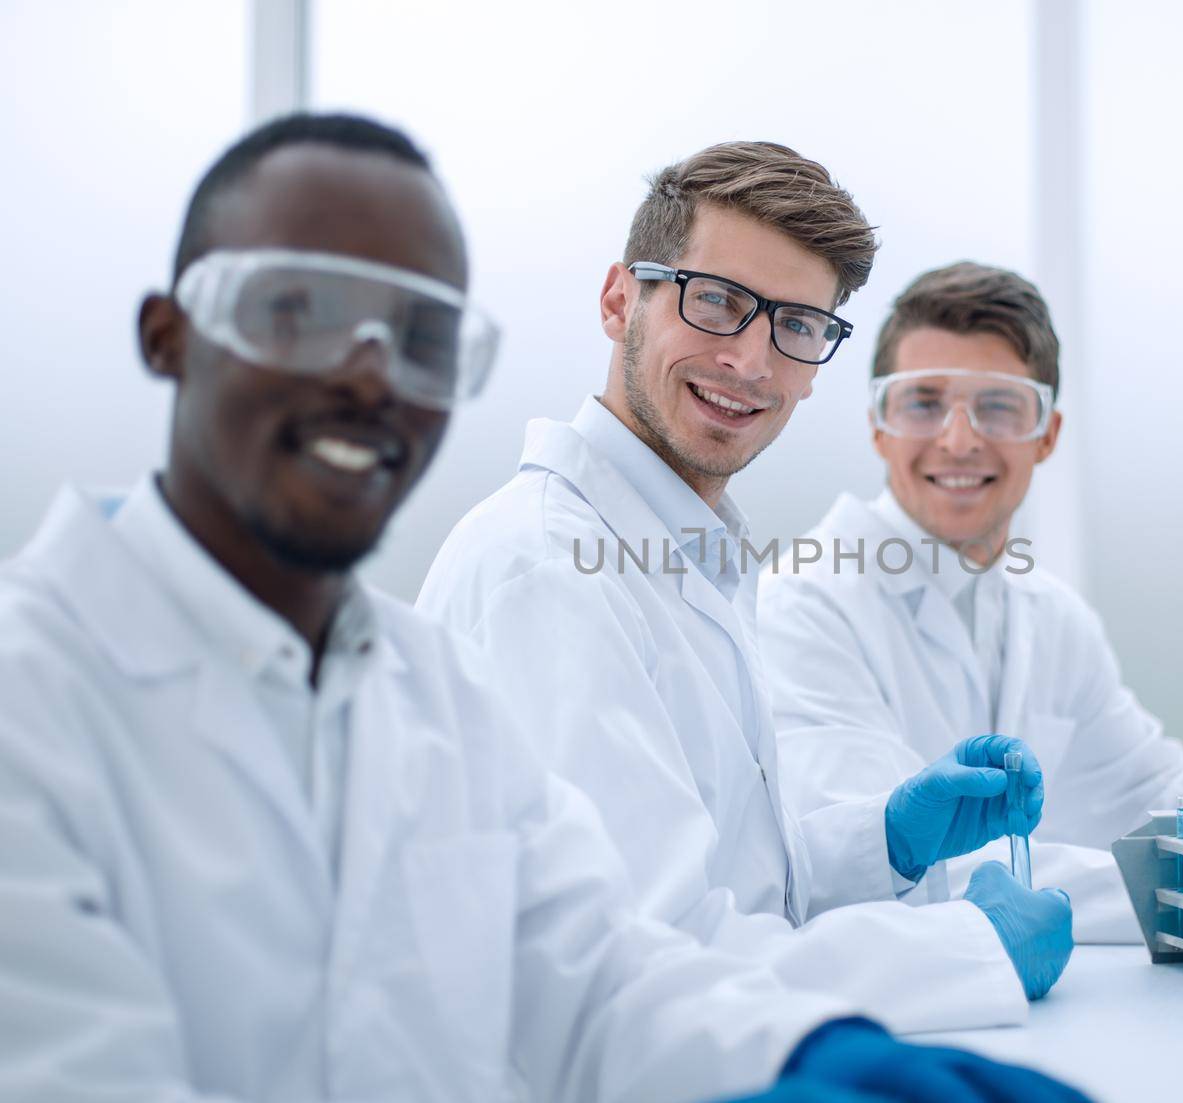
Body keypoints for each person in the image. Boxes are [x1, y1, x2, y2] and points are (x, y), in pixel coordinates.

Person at [0, 113, 1088, 1103]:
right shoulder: (34, 698)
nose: (368, 377)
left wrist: (840, 958)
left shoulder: (414, 678)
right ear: (168, 335)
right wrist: (960, 954)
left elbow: (600, 968)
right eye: (302, 312)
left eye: (421, 335)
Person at [418, 143, 1073, 1028]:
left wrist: (881, 841)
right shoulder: (548, 570)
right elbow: (651, 962)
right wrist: (969, 951)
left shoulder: (680, 552)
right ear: (621, 299)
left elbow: (719, 877)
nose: (752, 361)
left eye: (797, 325)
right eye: (718, 301)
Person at [758, 262, 1183, 941]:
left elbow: (1153, 809)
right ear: (879, 425)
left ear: (1047, 433)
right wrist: (1178, 882)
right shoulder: (805, 604)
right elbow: (874, 873)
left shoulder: (1054, 619)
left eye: (997, 405)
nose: (959, 440)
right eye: (923, 403)